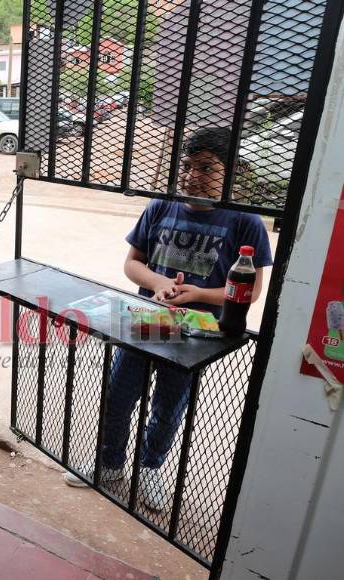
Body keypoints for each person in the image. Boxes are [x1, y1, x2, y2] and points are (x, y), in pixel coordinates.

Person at [64, 127, 273, 511]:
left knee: (168, 407)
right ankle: (110, 463)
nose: (193, 175)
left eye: (206, 168)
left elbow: (251, 289)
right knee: (118, 395)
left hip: (196, 333)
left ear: (231, 171)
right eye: (187, 165)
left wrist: (196, 295)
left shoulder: (246, 222)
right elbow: (132, 263)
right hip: (146, 320)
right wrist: (160, 283)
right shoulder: (161, 206)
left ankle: (150, 468)